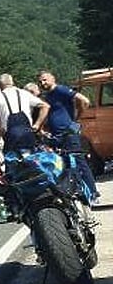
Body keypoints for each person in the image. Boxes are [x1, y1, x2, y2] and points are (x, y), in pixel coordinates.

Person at [37, 70, 99, 203]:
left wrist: (76, 119)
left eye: (45, 80)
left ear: (53, 78)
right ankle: (79, 192)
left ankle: (93, 193)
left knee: (79, 162)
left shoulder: (61, 90)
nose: (42, 83)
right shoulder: (48, 96)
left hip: (68, 134)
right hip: (57, 136)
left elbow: (84, 101)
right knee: (65, 165)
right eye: (40, 81)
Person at [0, 73, 50, 152]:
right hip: (28, 133)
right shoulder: (24, 93)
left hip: (11, 136)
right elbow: (45, 106)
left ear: (0, 85)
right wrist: (37, 124)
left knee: (12, 159)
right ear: (12, 82)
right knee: (33, 158)